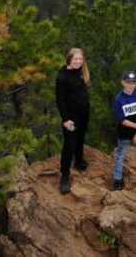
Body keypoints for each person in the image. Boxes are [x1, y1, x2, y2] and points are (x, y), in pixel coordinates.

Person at [55, 47, 91, 195]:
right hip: (71, 116)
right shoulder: (63, 77)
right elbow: (60, 100)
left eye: (80, 59)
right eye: (75, 59)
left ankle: (79, 160)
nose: (78, 61)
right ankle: (64, 176)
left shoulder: (80, 73)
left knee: (80, 138)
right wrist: (65, 119)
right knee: (69, 144)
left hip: (83, 113)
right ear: (69, 59)